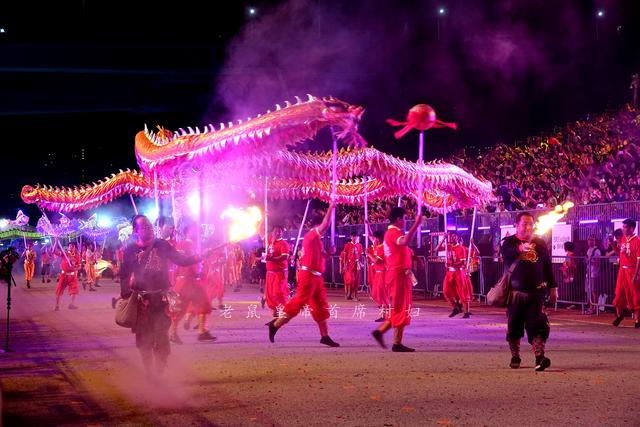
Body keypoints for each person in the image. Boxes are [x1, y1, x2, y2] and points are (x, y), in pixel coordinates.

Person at [119, 215, 205, 376]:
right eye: (143, 227)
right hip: (140, 301)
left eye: (150, 226)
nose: (149, 229)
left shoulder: (162, 244)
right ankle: (149, 373)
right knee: (143, 340)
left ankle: (159, 373)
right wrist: (126, 293)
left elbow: (180, 259)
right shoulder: (130, 250)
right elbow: (124, 274)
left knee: (161, 336)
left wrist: (196, 257)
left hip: (160, 299)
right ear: (135, 231)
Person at [267, 203, 340, 347]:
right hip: (308, 275)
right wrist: (331, 208)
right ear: (316, 226)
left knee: (320, 306)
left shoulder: (317, 241)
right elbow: (325, 225)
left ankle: (324, 336)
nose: (324, 231)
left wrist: (331, 251)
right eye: (321, 228)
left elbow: (325, 256)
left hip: (317, 277)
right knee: (298, 302)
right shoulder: (311, 235)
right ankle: (275, 325)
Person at [501, 212, 557, 371]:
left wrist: (553, 287)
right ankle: (515, 356)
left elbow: (547, 266)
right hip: (515, 293)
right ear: (517, 225)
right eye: (524, 224)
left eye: (530, 224)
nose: (527, 227)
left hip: (537, 292)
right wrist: (520, 248)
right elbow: (506, 256)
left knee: (538, 325)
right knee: (514, 326)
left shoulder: (539, 243)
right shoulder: (509, 242)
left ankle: (540, 357)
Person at [371, 207, 422, 352]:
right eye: (404, 219)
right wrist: (416, 225)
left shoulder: (391, 233)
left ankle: (384, 334)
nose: (405, 222)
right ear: (399, 219)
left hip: (398, 274)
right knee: (401, 308)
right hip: (398, 275)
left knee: (400, 307)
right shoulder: (394, 233)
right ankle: (394, 341)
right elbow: (404, 241)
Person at [612, 218, 640, 328]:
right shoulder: (623, 239)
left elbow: (639, 259)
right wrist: (613, 245)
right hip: (622, 271)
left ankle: (637, 320)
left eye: (625, 227)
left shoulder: (637, 241)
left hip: (632, 270)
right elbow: (620, 253)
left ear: (632, 228)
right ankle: (619, 315)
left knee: (635, 295)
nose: (623, 229)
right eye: (623, 227)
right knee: (619, 293)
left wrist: (636, 274)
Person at [437, 232, 472, 318]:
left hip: (459, 272)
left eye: (454, 237)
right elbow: (437, 249)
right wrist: (443, 239)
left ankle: (466, 312)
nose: (452, 238)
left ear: (458, 238)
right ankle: (455, 308)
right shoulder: (448, 246)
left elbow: (463, 262)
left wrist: (453, 264)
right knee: (446, 291)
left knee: (462, 292)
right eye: (451, 236)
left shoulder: (461, 248)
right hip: (449, 272)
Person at [265, 225, 291, 318]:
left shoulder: (284, 244)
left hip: (280, 273)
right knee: (271, 293)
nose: (277, 233)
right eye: (275, 231)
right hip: (270, 273)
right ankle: (275, 310)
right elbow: (261, 232)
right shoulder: (270, 241)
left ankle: (283, 309)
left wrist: (272, 259)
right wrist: (262, 217)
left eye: (279, 231)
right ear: (272, 232)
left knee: (278, 292)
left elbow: (285, 256)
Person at [54, 241, 82, 311]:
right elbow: (54, 252)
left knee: (74, 290)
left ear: (75, 247)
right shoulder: (65, 253)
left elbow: (79, 266)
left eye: (73, 246)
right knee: (59, 290)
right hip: (64, 275)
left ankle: (71, 304)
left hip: (72, 276)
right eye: (70, 246)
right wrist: (56, 242)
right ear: (68, 247)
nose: (72, 247)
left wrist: (75, 268)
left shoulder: (77, 255)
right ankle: (57, 305)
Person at [340, 232, 363, 300]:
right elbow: (345, 256)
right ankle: (349, 293)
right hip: (349, 265)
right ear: (351, 237)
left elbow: (361, 256)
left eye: (356, 236)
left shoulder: (359, 245)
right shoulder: (347, 245)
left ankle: (355, 296)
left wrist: (361, 263)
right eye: (353, 236)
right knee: (350, 280)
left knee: (357, 280)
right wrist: (344, 265)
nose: (354, 238)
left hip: (357, 265)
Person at [585, 235, 603, 315]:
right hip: (589, 274)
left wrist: (589, 261)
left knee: (594, 291)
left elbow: (598, 263)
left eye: (592, 240)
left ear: (595, 241)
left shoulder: (597, 251)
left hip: (594, 274)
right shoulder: (589, 250)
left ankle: (595, 307)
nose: (590, 241)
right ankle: (591, 307)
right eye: (589, 240)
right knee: (591, 291)